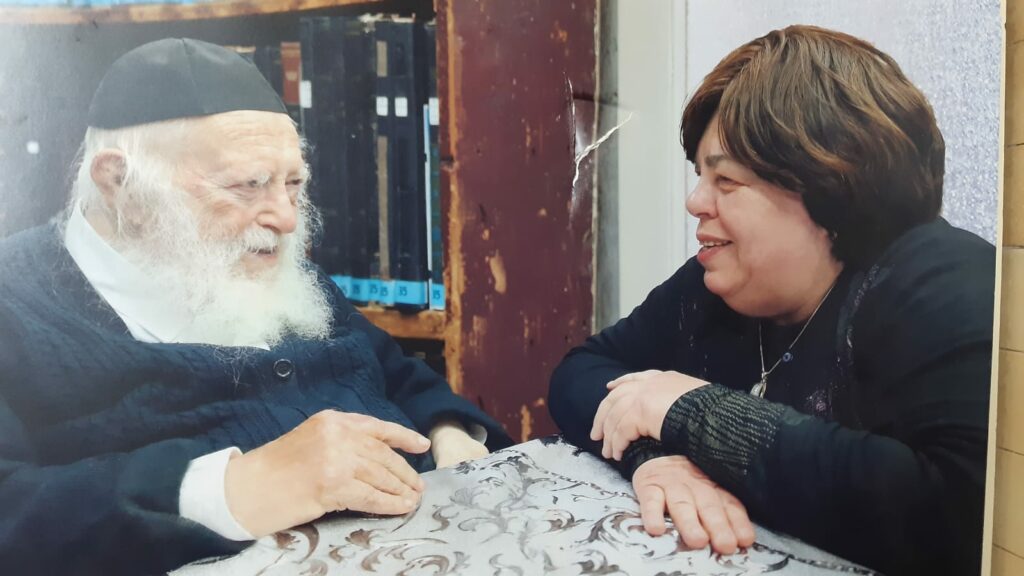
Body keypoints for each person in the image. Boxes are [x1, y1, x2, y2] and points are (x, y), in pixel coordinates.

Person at [0, 38, 512, 575]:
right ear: (121, 184)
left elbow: (396, 373)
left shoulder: (269, 269)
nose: (287, 220)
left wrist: (448, 435)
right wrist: (236, 488)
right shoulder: (15, 302)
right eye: (249, 186)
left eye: (293, 184)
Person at [549, 25, 993, 576]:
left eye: (726, 181)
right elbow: (581, 371)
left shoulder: (944, 281)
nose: (695, 201)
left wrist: (692, 411)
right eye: (700, 176)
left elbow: (960, 512)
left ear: (829, 186)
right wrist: (653, 456)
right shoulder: (715, 284)